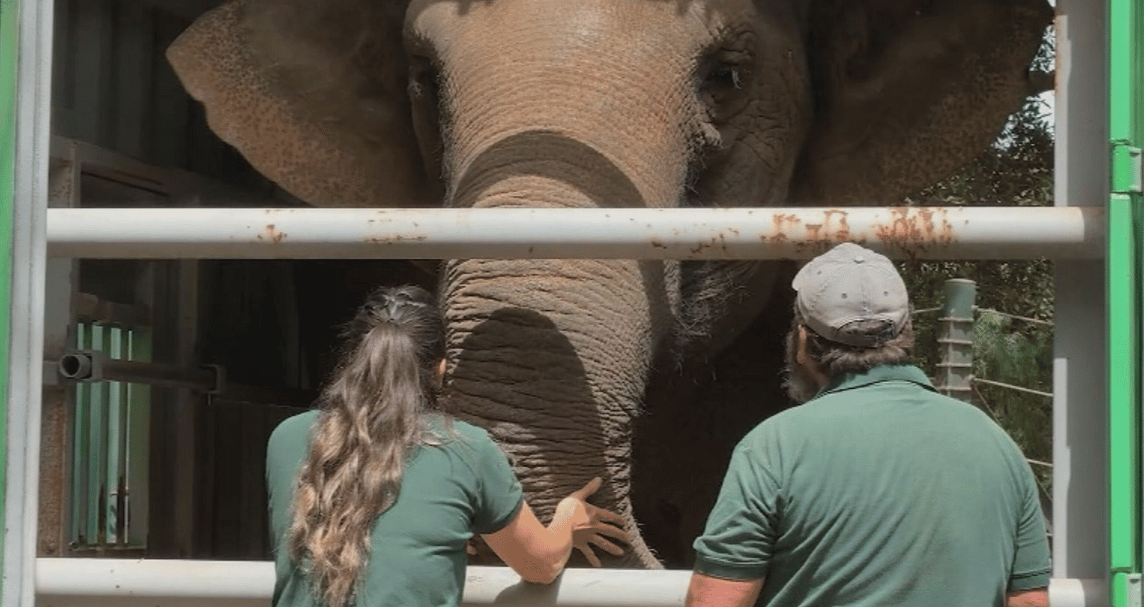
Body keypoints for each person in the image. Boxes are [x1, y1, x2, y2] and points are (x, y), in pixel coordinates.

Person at [685, 242, 1051, 607]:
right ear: (907, 331)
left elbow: (717, 601)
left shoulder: (772, 447)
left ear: (801, 341)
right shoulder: (996, 445)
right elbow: (1030, 602)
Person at [266, 285, 628, 607]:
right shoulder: (466, 447)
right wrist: (568, 516)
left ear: (356, 359)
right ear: (440, 369)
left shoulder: (286, 438)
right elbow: (541, 565)